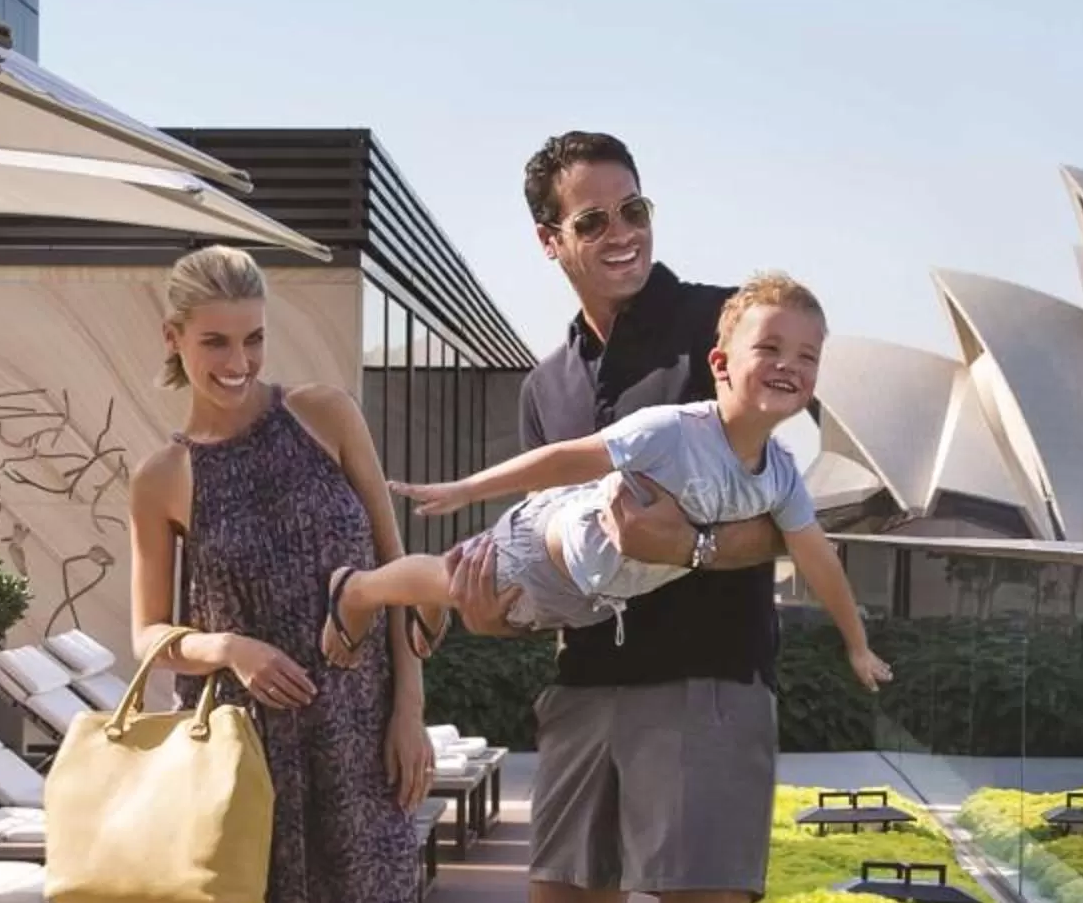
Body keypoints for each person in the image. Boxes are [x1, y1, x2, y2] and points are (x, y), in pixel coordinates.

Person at [449, 132, 798, 903]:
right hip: (583, 693)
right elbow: (557, 552)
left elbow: (803, 509)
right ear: (551, 241)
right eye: (592, 218)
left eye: (632, 206)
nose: (620, 231)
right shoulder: (547, 384)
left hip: (706, 689)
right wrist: (500, 600)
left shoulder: (718, 326)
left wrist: (694, 549)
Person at [124, 244, 447, 903]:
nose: (237, 359)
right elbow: (145, 634)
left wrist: (410, 710)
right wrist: (227, 649)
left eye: (252, 337)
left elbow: (399, 572)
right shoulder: (163, 476)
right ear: (173, 339)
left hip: (355, 746)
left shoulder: (323, 414)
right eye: (215, 340)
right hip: (245, 762)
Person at [327, 275, 893, 704]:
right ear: (719, 364)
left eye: (806, 356)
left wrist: (857, 644)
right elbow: (569, 457)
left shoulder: (781, 476)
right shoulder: (672, 430)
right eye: (769, 348)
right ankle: (359, 590)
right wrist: (470, 488)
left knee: (459, 588)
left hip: (593, 600)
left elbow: (818, 559)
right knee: (453, 577)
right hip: (547, 546)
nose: (787, 365)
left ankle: (422, 594)